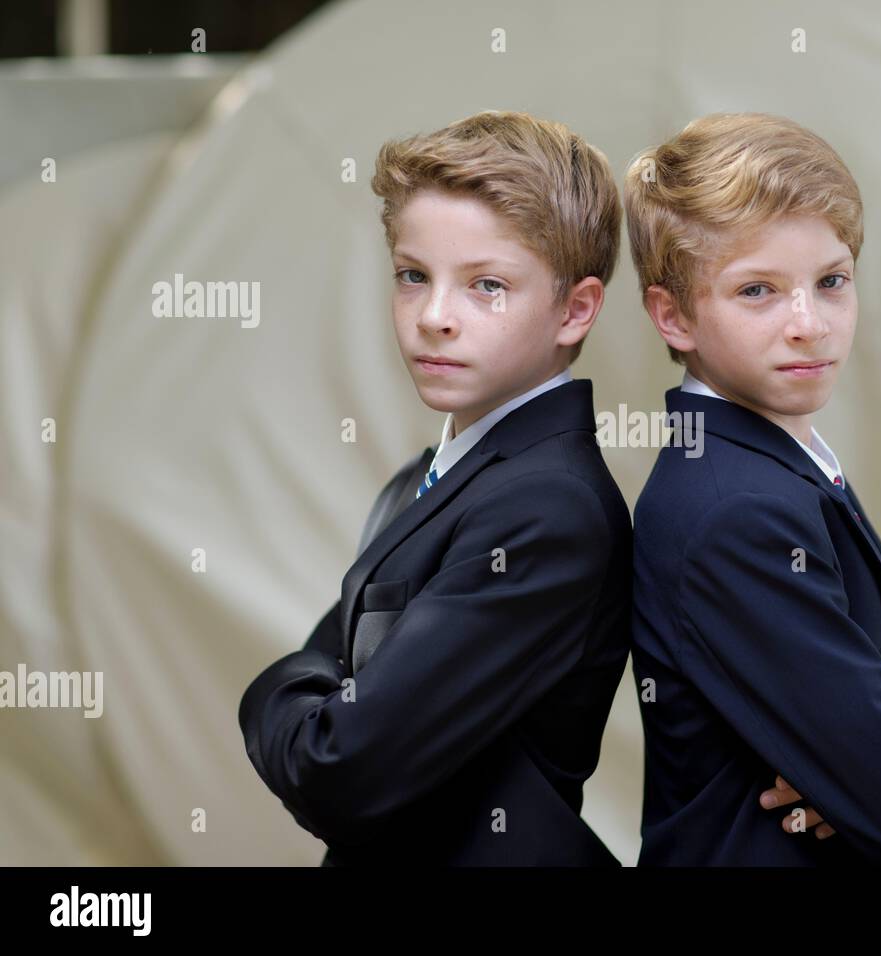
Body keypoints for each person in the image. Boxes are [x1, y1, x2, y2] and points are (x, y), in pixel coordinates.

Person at [238, 110, 630, 865]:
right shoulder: (419, 481)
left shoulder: (550, 509)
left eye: (486, 285)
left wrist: (263, 692)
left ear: (575, 308)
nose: (435, 317)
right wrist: (317, 697)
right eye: (414, 275)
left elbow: (340, 768)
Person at [623, 112, 881, 865]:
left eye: (831, 282)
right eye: (757, 290)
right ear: (674, 314)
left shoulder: (784, 460)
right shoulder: (736, 510)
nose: (809, 324)